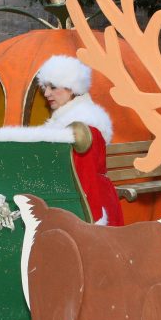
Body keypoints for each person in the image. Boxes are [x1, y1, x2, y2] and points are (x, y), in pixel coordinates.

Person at [36, 55, 124, 226]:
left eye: (53, 87)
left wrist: (92, 222)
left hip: (92, 205)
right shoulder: (66, 121)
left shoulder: (83, 128)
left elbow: (86, 178)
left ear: (72, 88)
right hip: (80, 199)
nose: (46, 93)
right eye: (45, 87)